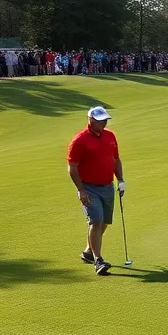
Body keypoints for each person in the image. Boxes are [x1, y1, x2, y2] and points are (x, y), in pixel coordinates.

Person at [67, 106, 125, 276]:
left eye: (105, 119)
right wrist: (81, 190)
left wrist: (121, 180)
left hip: (107, 186)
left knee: (105, 221)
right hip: (89, 188)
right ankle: (98, 260)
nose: (104, 122)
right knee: (96, 220)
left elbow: (115, 159)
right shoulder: (79, 140)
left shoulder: (110, 136)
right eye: (101, 120)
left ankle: (88, 252)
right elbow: (72, 167)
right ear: (90, 120)